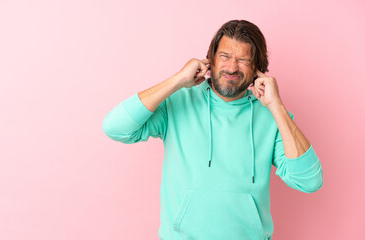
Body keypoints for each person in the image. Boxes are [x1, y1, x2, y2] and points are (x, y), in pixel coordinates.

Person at [103, 20, 323, 240]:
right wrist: (177, 80)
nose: (232, 67)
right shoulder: (177, 102)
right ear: (211, 61)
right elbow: (115, 127)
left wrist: (277, 107)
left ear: (258, 68)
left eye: (244, 60)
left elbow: (309, 181)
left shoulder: (271, 115)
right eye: (225, 56)